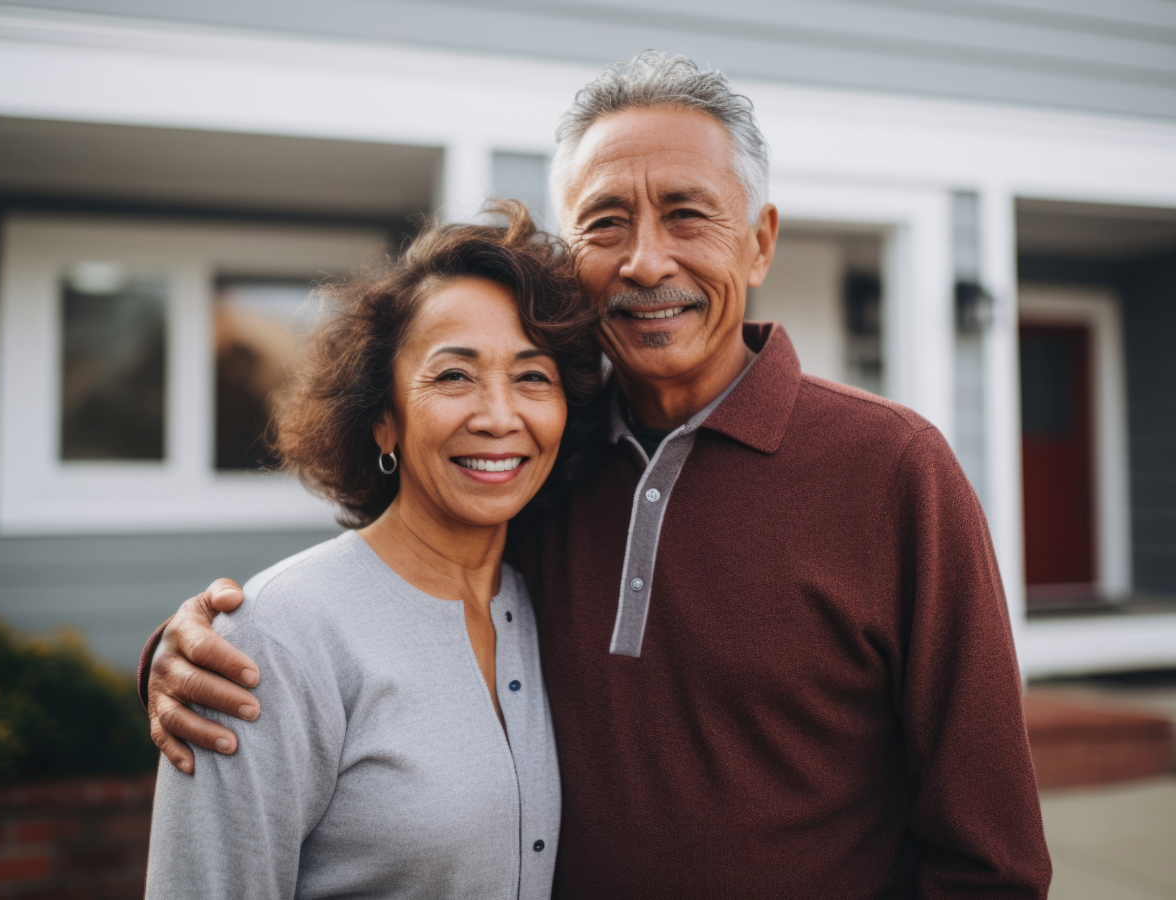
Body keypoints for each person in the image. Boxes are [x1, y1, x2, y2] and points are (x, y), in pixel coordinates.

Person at [141, 52, 1052, 898]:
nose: (647, 260)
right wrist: (190, 654)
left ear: (760, 243)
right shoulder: (544, 462)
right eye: (606, 223)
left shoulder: (894, 469)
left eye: (688, 214)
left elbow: (991, 856)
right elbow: (376, 599)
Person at [144, 203, 602, 899]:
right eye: (454, 376)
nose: (500, 416)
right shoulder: (273, 635)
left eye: (533, 377)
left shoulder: (545, 603)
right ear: (383, 419)